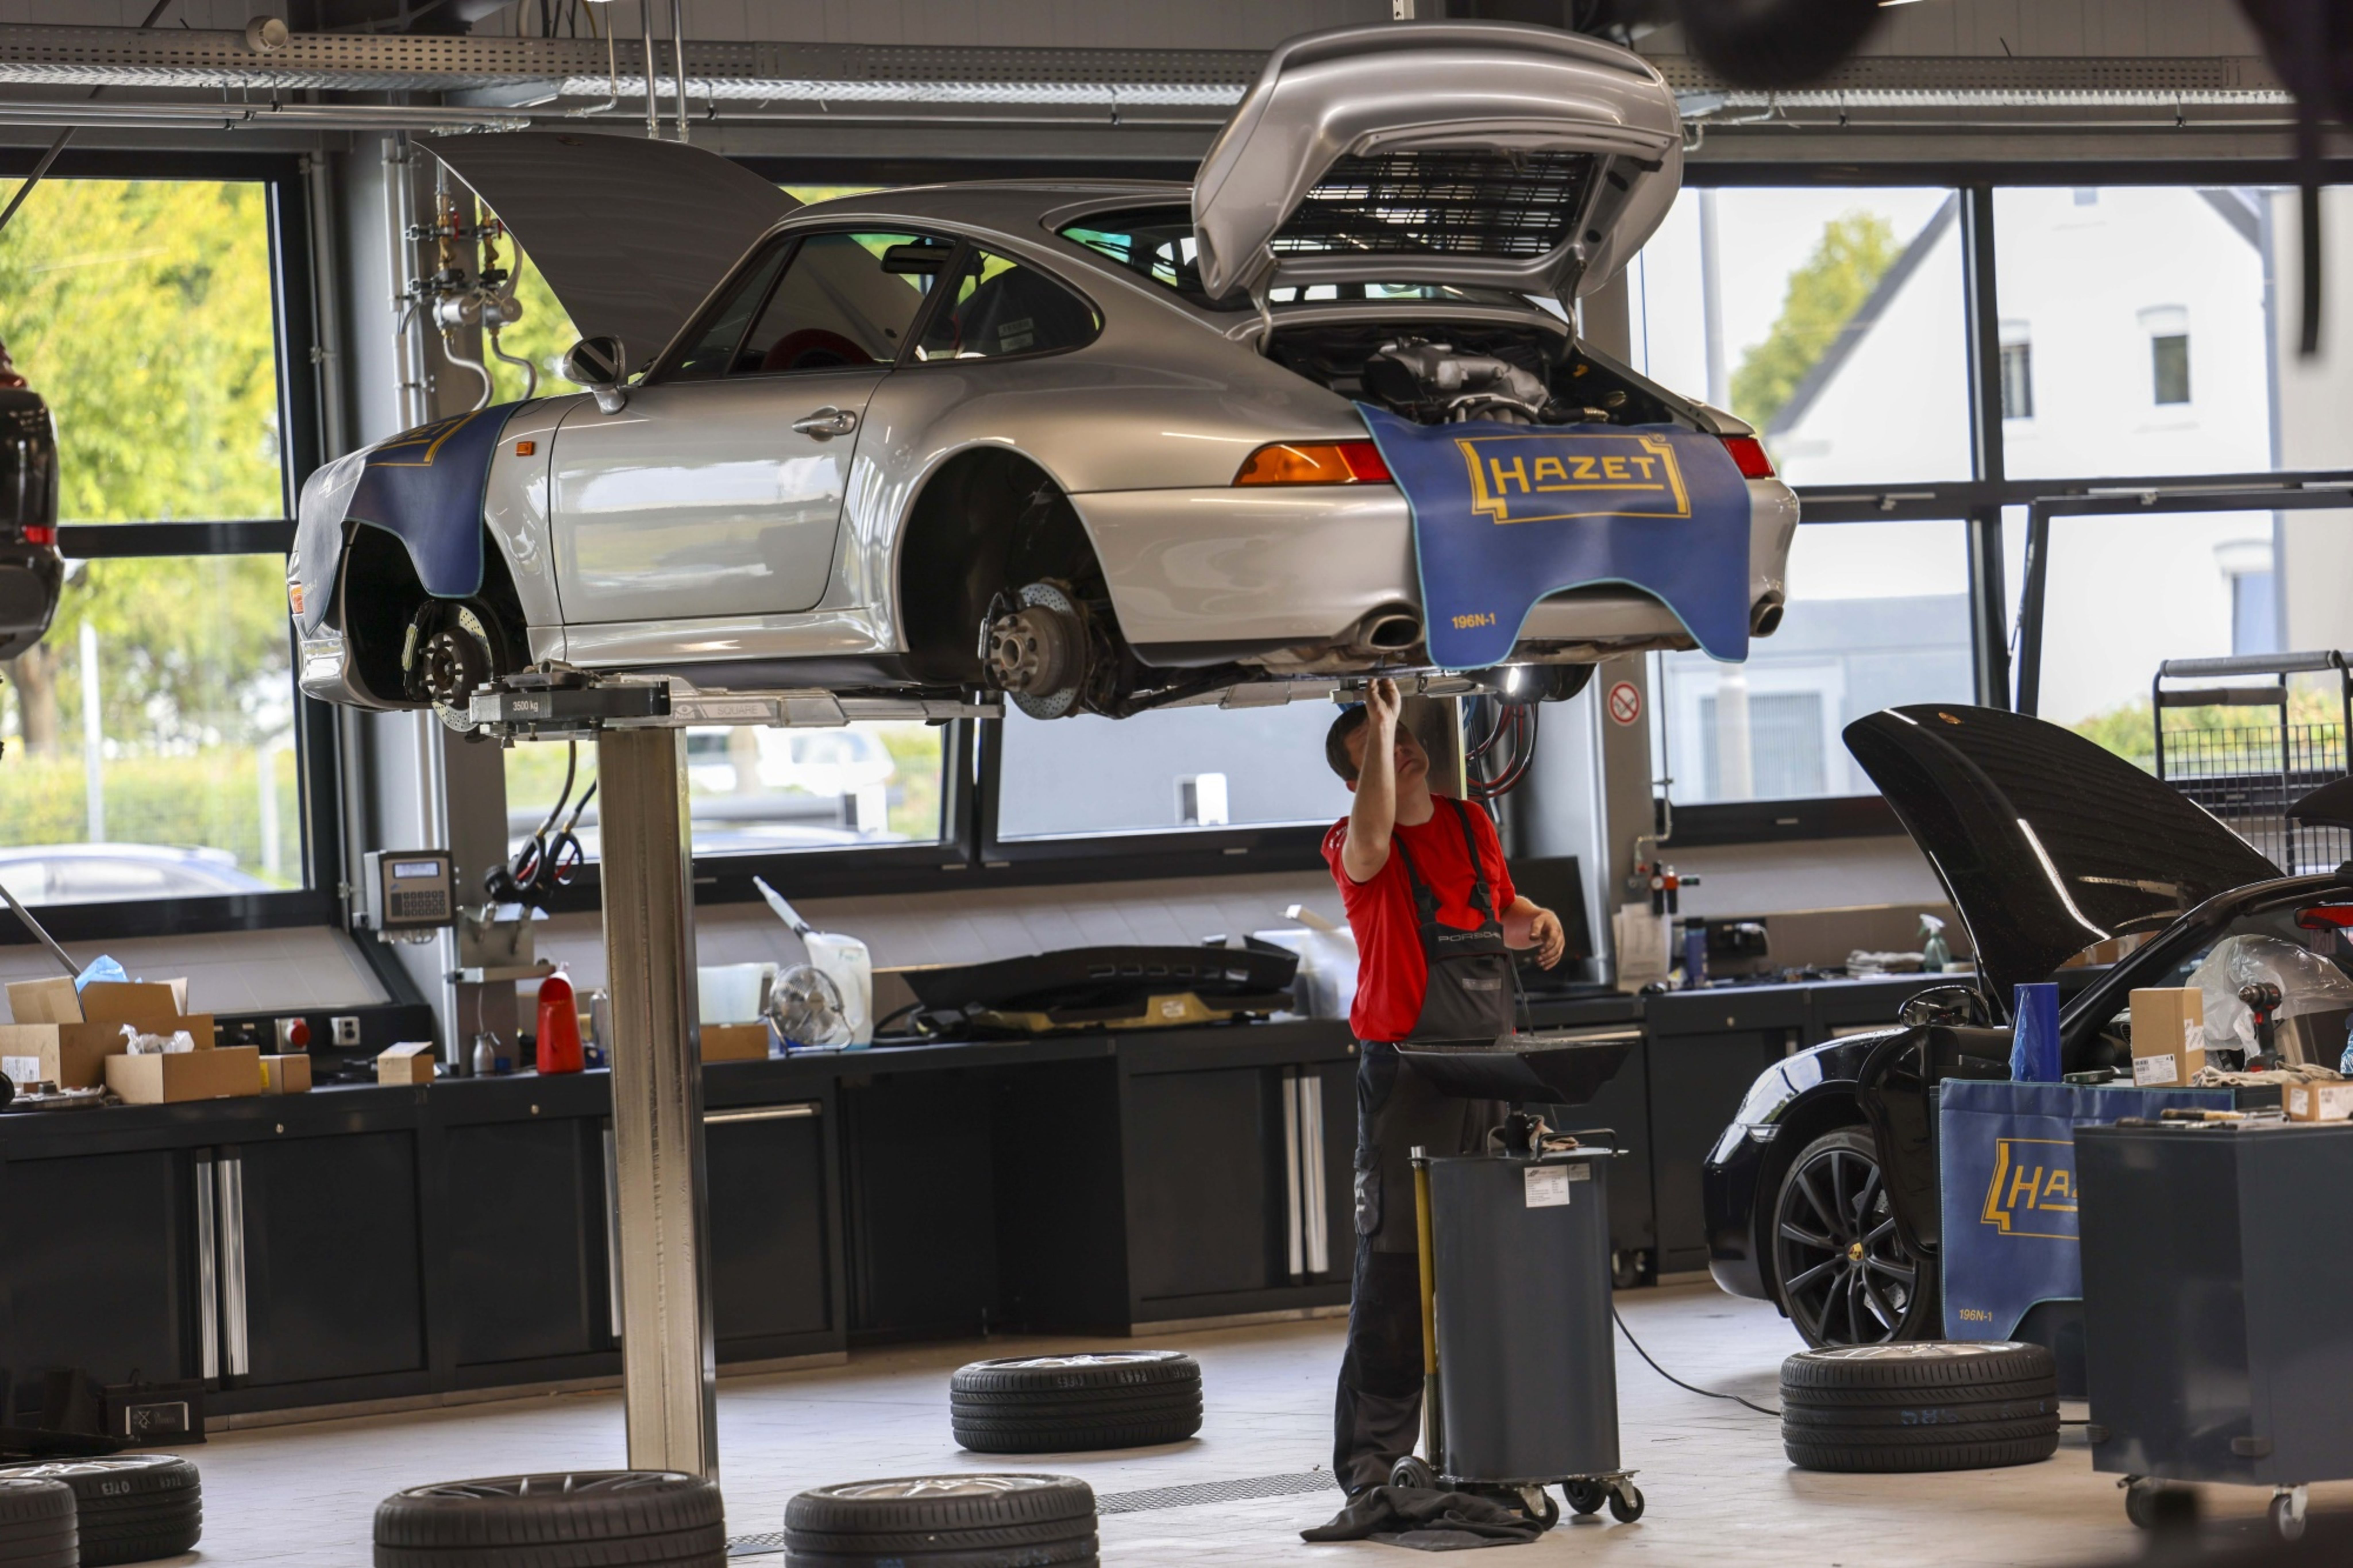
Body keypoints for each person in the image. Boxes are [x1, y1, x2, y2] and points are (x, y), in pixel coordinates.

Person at [1323, 676, 1567, 1495]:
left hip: (1490, 1067)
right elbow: (1371, 836)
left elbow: (1495, 909)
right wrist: (1380, 722)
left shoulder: (1470, 822)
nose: (1403, 750)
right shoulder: (1357, 852)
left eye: (1404, 741)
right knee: (1395, 1271)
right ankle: (1374, 1462)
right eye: (1378, 756)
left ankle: (1489, 1443)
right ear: (1358, 782)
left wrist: (1537, 919)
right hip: (1406, 1077)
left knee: (1494, 1259)